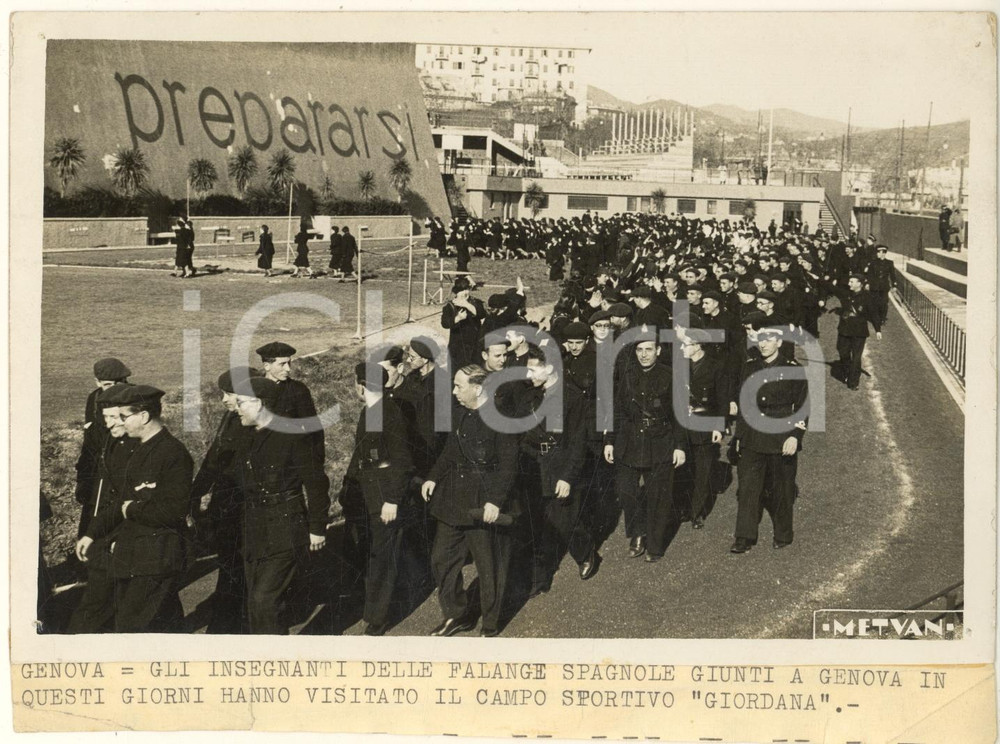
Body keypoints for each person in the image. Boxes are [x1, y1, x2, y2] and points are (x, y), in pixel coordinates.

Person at [74, 385, 193, 632]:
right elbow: (122, 501)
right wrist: (92, 533)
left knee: (131, 627)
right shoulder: (139, 449)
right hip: (137, 553)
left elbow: (174, 511)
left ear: (144, 416)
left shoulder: (173, 454)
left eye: (124, 416)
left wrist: (132, 510)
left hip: (158, 555)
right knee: (158, 624)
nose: (120, 422)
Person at [421, 365, 518, 637]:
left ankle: (490, 621)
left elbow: (508, 465)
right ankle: (457, 614)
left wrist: (495, 501)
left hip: (483, 500)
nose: (454, 392)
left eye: (458, 386)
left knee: (488, 566)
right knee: (441, 559)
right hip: (454, 498)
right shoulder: (461, 413)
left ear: (477, 389)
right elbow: (450, 452)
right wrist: (433, 477)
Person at [231, 376, 329, 634]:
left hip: (286, 527)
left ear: (259, 403)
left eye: (241, 403)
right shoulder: (245, 436)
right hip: (254, 529)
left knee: (264, 599)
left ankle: (273, 652)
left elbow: (316, 484)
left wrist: (317, 527)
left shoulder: (292, 436)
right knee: (255, 602)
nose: (237, 408)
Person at [515, 347, 598, 597]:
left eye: (533, 369)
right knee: (541, 523)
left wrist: (567, 477)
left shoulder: (572, 398)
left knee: (565, 523)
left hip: (562, 466)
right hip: (536, 466)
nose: (528, 375)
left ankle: (585, 553)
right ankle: (540, 578)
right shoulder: (530, 397)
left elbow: (578, 443)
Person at [188, 367, 262, 634]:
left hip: (241, 508)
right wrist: (195, 493)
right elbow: (213, 459)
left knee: (235, 568)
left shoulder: (250, 425)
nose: (224, 399)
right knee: (231, 566)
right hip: (226, 505)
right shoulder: (232, 417)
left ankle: (228, 626)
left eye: (228, 394)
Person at [345, 362, 416, 636]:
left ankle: (378, 618)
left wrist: (393, 500)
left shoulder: (390, 414)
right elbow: (363, 452)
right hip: (369, 491)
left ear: (361, 386)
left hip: (385, 495)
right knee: (373, 552)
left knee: (384, 558)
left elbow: (403, 461)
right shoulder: (371, 410)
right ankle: (373, 605)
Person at [604, 338, 687, 563]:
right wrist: (609, 440)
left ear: (658, 351)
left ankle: (655, 544)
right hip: (629, 440)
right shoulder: (628, 375)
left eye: (648, 349)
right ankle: (638, 531)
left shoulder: (670, 375)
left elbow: (680, 414)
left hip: (659, 440)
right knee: (626, 491)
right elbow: (617, 410)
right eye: (639, 350)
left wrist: (680, 446)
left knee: (658, 495)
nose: (643, 354)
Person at [730, 327, 808, 553]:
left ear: (779, 342)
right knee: (747, 488)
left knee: (782, 489)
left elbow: (803, 407)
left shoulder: (793, 369)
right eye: (760, 340)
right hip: (753, 436)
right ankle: (744, 536)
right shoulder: (749, 367)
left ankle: (783, 533)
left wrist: (795, 436)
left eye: (768, 340)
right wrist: (739, 437)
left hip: (780, 436)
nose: (763, 344)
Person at [67, 383, 138, 633]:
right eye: (105, 418)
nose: (108, 424)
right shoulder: (111, 439)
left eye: (115, 418)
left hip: (122, 534)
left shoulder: (140, 447)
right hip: (105, 528)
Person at [678, 329, 731, 530]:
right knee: (685, 468)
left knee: (703, 470)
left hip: (706, 422)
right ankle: (685, 506)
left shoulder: (716, 367)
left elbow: (723, 399)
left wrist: (719, 427)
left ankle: (697, 512)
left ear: (698, 345)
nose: (682, 348)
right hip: (684, 424)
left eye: (686, 344)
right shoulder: (681, 366)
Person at [75, 357, 131, 539]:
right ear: (97, 382)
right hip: (98, 469)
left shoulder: (134, 397)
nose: (113, 389)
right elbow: (89, 441)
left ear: (125, 380)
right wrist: (82, 478)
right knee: (92, 517)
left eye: (117, 383)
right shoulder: (94, 399)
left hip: (124, 467)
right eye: (107, 385)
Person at [833, 274, 883, 390]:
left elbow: (874, 313)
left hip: (859, 331)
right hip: (844, 329)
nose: (849, 283)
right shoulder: (846, 293)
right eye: (849, 281)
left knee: (856, 357)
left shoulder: (868, 297)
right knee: (842, 352)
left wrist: (878, 330)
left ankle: (853, 382)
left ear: (859, 284)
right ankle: (847, 372)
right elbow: (832, 288)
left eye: (852, 282)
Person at [441, 277, 485, 372]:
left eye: (467, 289)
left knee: (475, 371)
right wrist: (458, 318)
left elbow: (482, 314)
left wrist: (467, 305)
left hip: (475, 344)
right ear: (456, 292)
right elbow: (445, 323)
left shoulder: (475, 302)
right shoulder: (450, 306)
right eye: (461, 290)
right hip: (457, 345)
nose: (465, 293)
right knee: (456, 371)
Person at [864, 245, 896, 327]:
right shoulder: (873, 263)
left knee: (884, 303)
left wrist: (894, 285)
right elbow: (869, 274)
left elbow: (892, 275)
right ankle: (876, 317)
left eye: (879, 252)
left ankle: (882, 318)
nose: (877, 253)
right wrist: (867, 283)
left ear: (883, 253)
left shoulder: (889, 263)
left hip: (884, 286)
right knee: (875, 302)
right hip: (874, 286)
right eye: (877, 252)